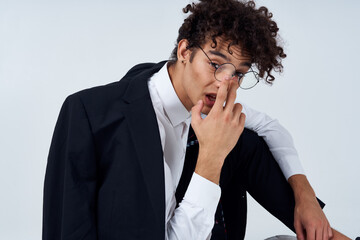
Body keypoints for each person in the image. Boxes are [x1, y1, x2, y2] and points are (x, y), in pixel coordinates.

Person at [43, 0, 350, 239]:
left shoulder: (206, 102)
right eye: (216, 64)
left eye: (239, 73)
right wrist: (211, 159)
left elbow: (271, 127)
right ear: (185, 51)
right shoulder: (87, 113)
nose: (225, 83)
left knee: (246, 138)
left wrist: (305, 196)